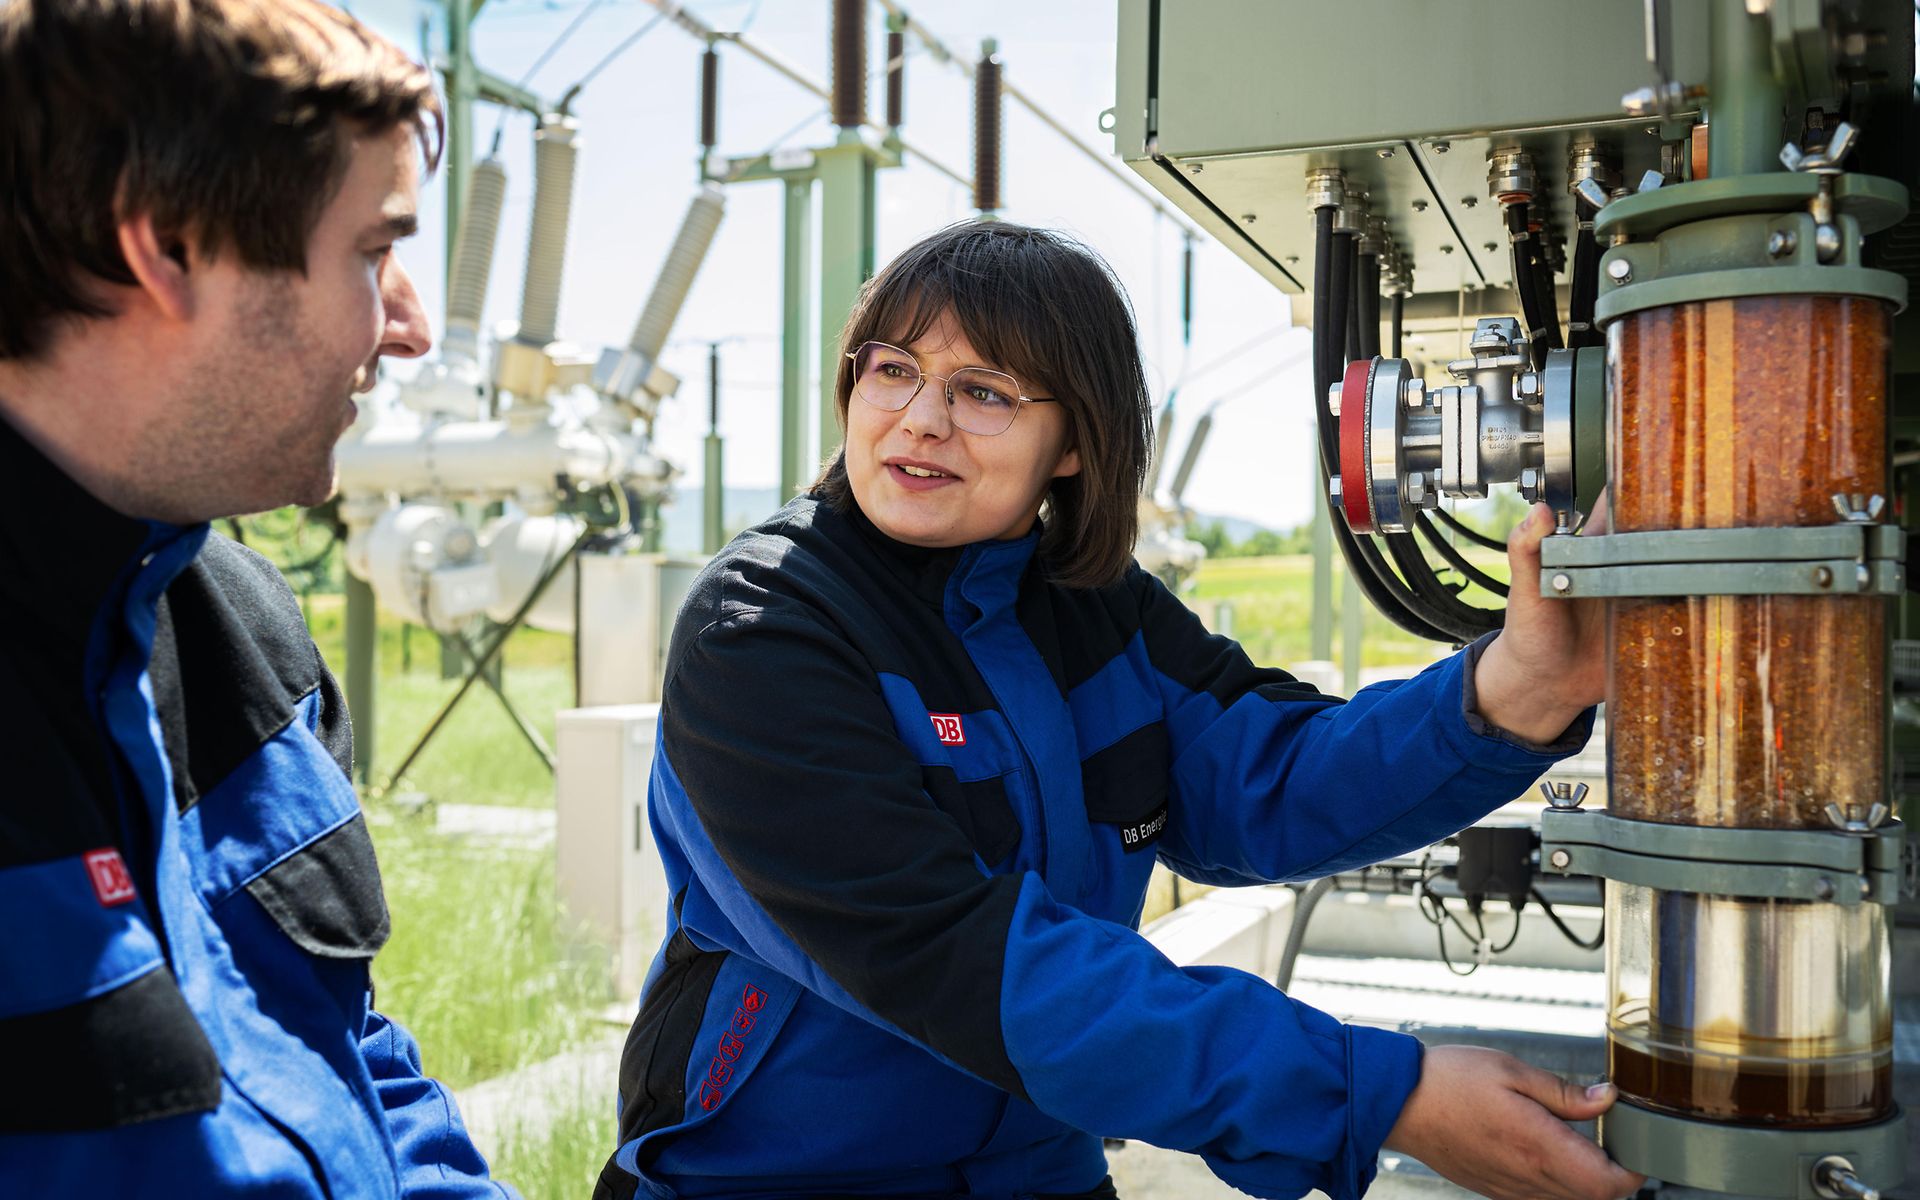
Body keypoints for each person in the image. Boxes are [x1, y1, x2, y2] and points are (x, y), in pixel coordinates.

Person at [594, 221, 1645, 1200]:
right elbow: (950, 952)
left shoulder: (1096, 610)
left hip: (1045, 1176)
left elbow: (1275, 777)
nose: (921, 418)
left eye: (985, 390)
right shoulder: (765, 629)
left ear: (1073, 443)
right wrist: (1371, 1093)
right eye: (894, 370)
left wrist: (1517, 687)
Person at [0, 0, 514, 1194]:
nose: (411, 329)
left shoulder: (246, 638)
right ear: (169, 246)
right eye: (373, 251)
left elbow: (354, 1055)